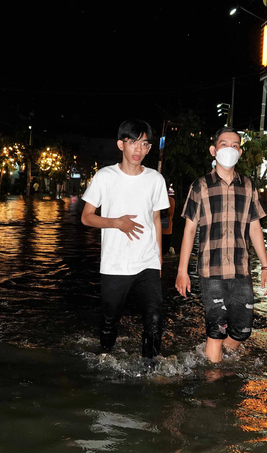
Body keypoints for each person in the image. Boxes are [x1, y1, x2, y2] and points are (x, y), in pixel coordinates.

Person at [175, 126, 267, 363]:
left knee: (243, 330)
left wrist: (266, 267)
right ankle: (213, 383)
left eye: (235, 145)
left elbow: (254, 228)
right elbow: (189, 230)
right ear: (213, 150)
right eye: (224, 144)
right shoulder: (200, 186)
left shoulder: (248, 186)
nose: (230, 148)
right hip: (211, 271)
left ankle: (211, 359)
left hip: (241, 270)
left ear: (240, 152)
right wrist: (182, 271)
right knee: (217, 330)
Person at [81, 119, 170, 359]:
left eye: (144, 144)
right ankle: (104, 358)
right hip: (115, 263)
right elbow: (86, 218)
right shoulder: (104, 176)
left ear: (149, 148)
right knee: (110, 322)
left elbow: (156, 220)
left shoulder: (155, 180)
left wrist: (159, 260)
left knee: (154, 320)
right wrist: (117, 222)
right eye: (133, 142)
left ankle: (149, 370)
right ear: (121, 144)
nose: (138, 149)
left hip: (147, 262)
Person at [161, 184, 176, 254]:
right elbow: (171, 213)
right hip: (167, 228)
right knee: (165, 247)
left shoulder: (156, 199)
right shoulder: (171, 200)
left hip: (156, 228)